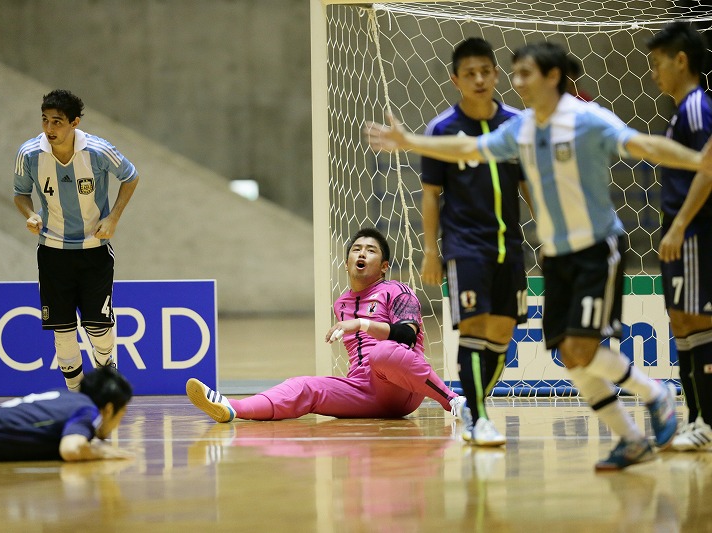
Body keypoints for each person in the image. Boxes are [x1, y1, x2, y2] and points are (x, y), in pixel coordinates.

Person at [363, 41, 712, 470]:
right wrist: (408, 140)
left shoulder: (588, 120)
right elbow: (467, 150)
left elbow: (646, 146)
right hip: (557, 258)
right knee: (569, 356)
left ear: (552, 77)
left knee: (582, 347)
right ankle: (631, 440)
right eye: (514, 74)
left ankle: (654, 395)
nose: (516, 83)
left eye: (524, 73)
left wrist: (699, 160)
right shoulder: (521, 128)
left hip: (596, 250)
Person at [186, 227, 467, 423]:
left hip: (402, 389)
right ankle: (231, 407)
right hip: (363, 390)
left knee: (380, 353)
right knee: (305, 386)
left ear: (384, 266)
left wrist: (361, 324)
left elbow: (406, 338)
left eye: (370, 250)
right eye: (356, 249)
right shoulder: (341, 303)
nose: (361, 253)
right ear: (346, 264)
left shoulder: (398, 291)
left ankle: (454, 402)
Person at [420, 38, 530, 446]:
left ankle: (471, 405)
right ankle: (481, 418)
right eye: (470, 74)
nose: (480, 79)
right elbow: (431, 194)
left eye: (486, 71)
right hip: (464, 247)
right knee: (473, 326)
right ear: (456, 80)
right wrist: (432, 252)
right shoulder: (442, 130)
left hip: (510, 245)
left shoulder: (517, 124)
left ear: (497, 74)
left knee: (502, 332)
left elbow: (529, 183)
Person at [14, 90, 140, 391]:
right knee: (63, 331)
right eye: (45, 120)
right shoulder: (29, 153)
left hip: (93, 250)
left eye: (57, 121)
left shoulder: (98, 151)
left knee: (98, 328)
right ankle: (76, 399)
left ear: (74, 122)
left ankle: (108, 389)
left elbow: (131, 176)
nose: (49, 128)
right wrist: (30, 214)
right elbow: (20, 194)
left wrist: (113, 219)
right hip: (53, 251)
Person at [649, 22, 712, 451]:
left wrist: (679, 225)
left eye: (658, 64)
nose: (654, 73)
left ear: (681, 60)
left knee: (699, 321)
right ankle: (695, 420)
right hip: (680, 234)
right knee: (682, 322)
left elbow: (709, 169)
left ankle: (707, 421)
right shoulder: (680, 111)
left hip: (694, 233)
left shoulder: (695, 107)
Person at [0, 366, 133, 462]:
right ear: (109, 408)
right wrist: (104, 454)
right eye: (123, 413)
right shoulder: (88, 411)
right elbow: (71, 450)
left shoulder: (64, 396)